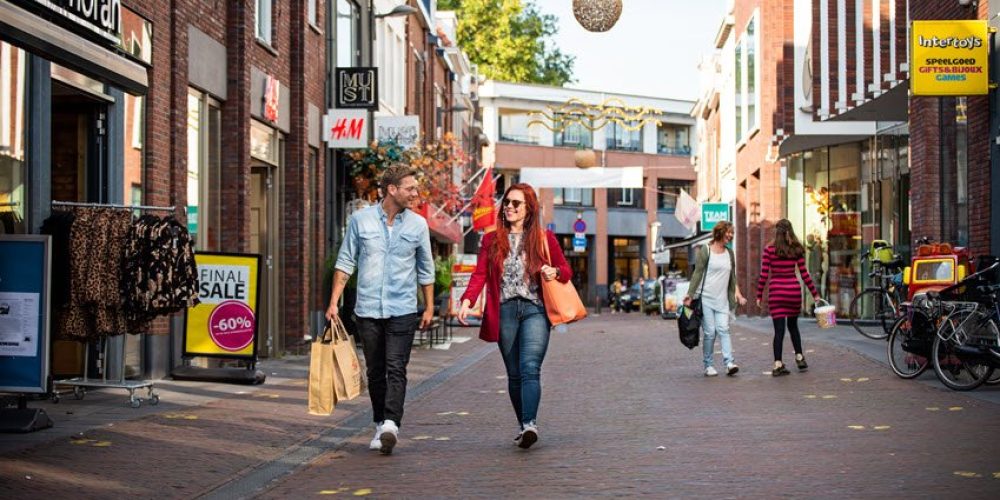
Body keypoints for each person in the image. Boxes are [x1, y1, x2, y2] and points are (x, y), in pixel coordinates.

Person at [326, 165, 435, 455]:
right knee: (375, 371)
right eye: (410, 188)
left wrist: (429, 307)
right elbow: (346, 261)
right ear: (392, 190)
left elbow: (426, 269)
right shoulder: (360, 221)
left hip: (403, 309)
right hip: (368, 309)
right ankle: (379, 423)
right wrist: (334, 301)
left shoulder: (418, 225)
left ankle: (391, 424)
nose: (415, 193)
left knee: (395, 367)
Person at [457, 183, 572, 450]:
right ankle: (523, 425)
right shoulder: (490, 239)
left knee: (530, 368)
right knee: (514, 374)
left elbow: (566, 271)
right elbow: (480, 275)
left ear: (528, 209)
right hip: (505, 310)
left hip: (534, 310)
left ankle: (530, 423)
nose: (509, 207)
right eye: (507, 202)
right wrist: (467, 300)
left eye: (516, 204)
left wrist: (554, 272)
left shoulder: (544, 239)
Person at [756, 219, 821, 376]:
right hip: (793, 292)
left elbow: (764, 274)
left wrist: (759, 295)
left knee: (779, 331)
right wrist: (815, 294)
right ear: (790, 230)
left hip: (776, 293)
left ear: (776, 232)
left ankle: (778, 364)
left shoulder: (769, 250)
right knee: (793, 327)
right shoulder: (796, 248)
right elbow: (804, 274)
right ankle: (799, 357)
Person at [684, 221, 747, 377]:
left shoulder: (729, 253)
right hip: (706, 298)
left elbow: (732, 276)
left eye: (732, 233)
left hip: (722, 299)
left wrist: (737, 294)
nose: (731, 235)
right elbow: (697, 273)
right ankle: (708, 365)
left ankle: (729, 363)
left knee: (724, 329)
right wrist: (690, 294)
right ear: (720, 232)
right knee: (710, 332)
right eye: (729, 232)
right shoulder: (706, 250)